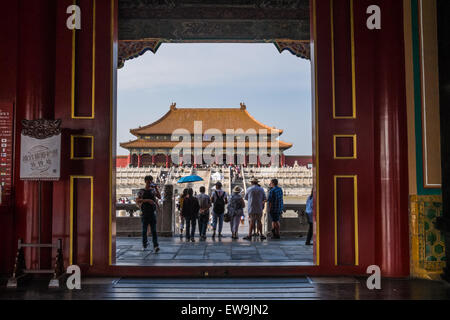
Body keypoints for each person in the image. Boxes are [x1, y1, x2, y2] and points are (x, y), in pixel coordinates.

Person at [136, 176, 160, 252]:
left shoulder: (153, 190)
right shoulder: (141, 191)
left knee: (154, 230)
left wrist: (156, 188)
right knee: (144, 230)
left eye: (151, 181)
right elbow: (137, 200)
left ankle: (156, 246)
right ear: (145, 181)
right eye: (148, 181)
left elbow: (159, 197)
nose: (150, 183)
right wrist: (147, 200)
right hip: (144, 212)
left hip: (152, 212)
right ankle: (144, 244)